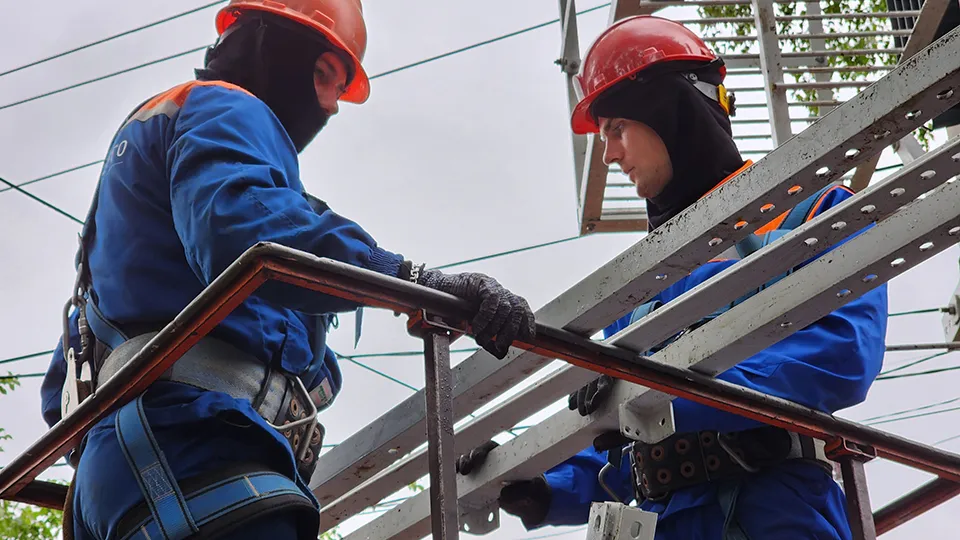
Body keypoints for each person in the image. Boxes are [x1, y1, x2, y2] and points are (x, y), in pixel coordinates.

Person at [39, 1, 537, 538]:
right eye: (328, 78)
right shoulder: (227, 108)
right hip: (194, 451)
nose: (332, 108)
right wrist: (410, 283)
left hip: (124, 469)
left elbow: (58, 398)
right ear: (285, 56)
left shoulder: (145, 166)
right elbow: (243, 230)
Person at [455, 15, 888, 539]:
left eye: (617, 129)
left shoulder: (810, 213)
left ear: (670, 112)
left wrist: (663, 398)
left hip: (775, 510)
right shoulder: (641, 292)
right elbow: (625, 452)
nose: (610, 155)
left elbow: (839, 355)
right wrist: (537, 480)